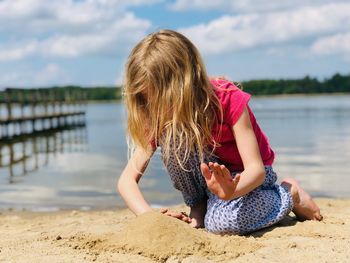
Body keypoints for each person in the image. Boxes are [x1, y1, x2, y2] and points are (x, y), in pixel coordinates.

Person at [117, 29, 322, 235]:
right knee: (173, 138)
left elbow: (256, 170)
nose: (155, 108)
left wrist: (232, 191)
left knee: (221, 224)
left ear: (186, 85)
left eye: (162, 100)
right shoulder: (159, 115)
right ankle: (199, 207)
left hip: (247, 179)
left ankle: (288, 193)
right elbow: (127, 181)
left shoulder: (227, 99)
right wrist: (150, 217)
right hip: (210, 182)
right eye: (147, 101)